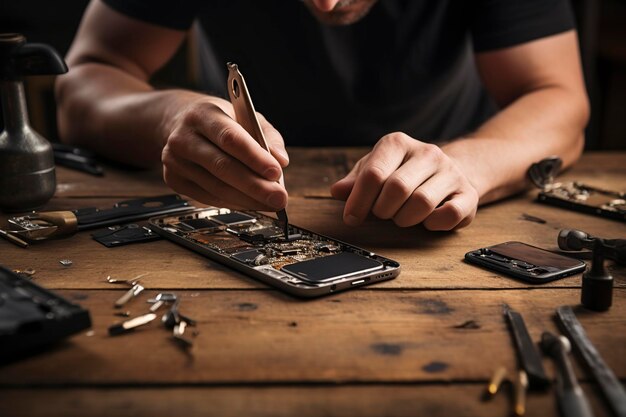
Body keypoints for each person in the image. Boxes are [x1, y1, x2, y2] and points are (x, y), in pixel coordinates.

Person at [55, 0, 589, 231]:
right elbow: (86, 79)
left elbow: (557, 98)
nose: (329, 6)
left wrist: (466, 168)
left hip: (451, 171)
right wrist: (170, 119)